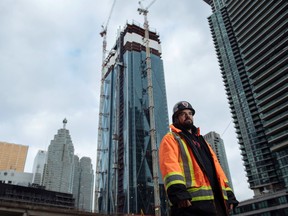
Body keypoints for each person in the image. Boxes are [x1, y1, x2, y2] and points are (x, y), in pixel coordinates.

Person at [159, 101, 239, 216]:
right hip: (190, 205)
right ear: (176, 118)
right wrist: (178, 194)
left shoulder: (203, 142)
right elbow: (170, 168)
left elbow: (218, 171)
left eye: (190, 113)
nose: (188, 116)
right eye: (183, 114)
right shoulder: (171, 139)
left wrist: (229, 194)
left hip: (217, 204)